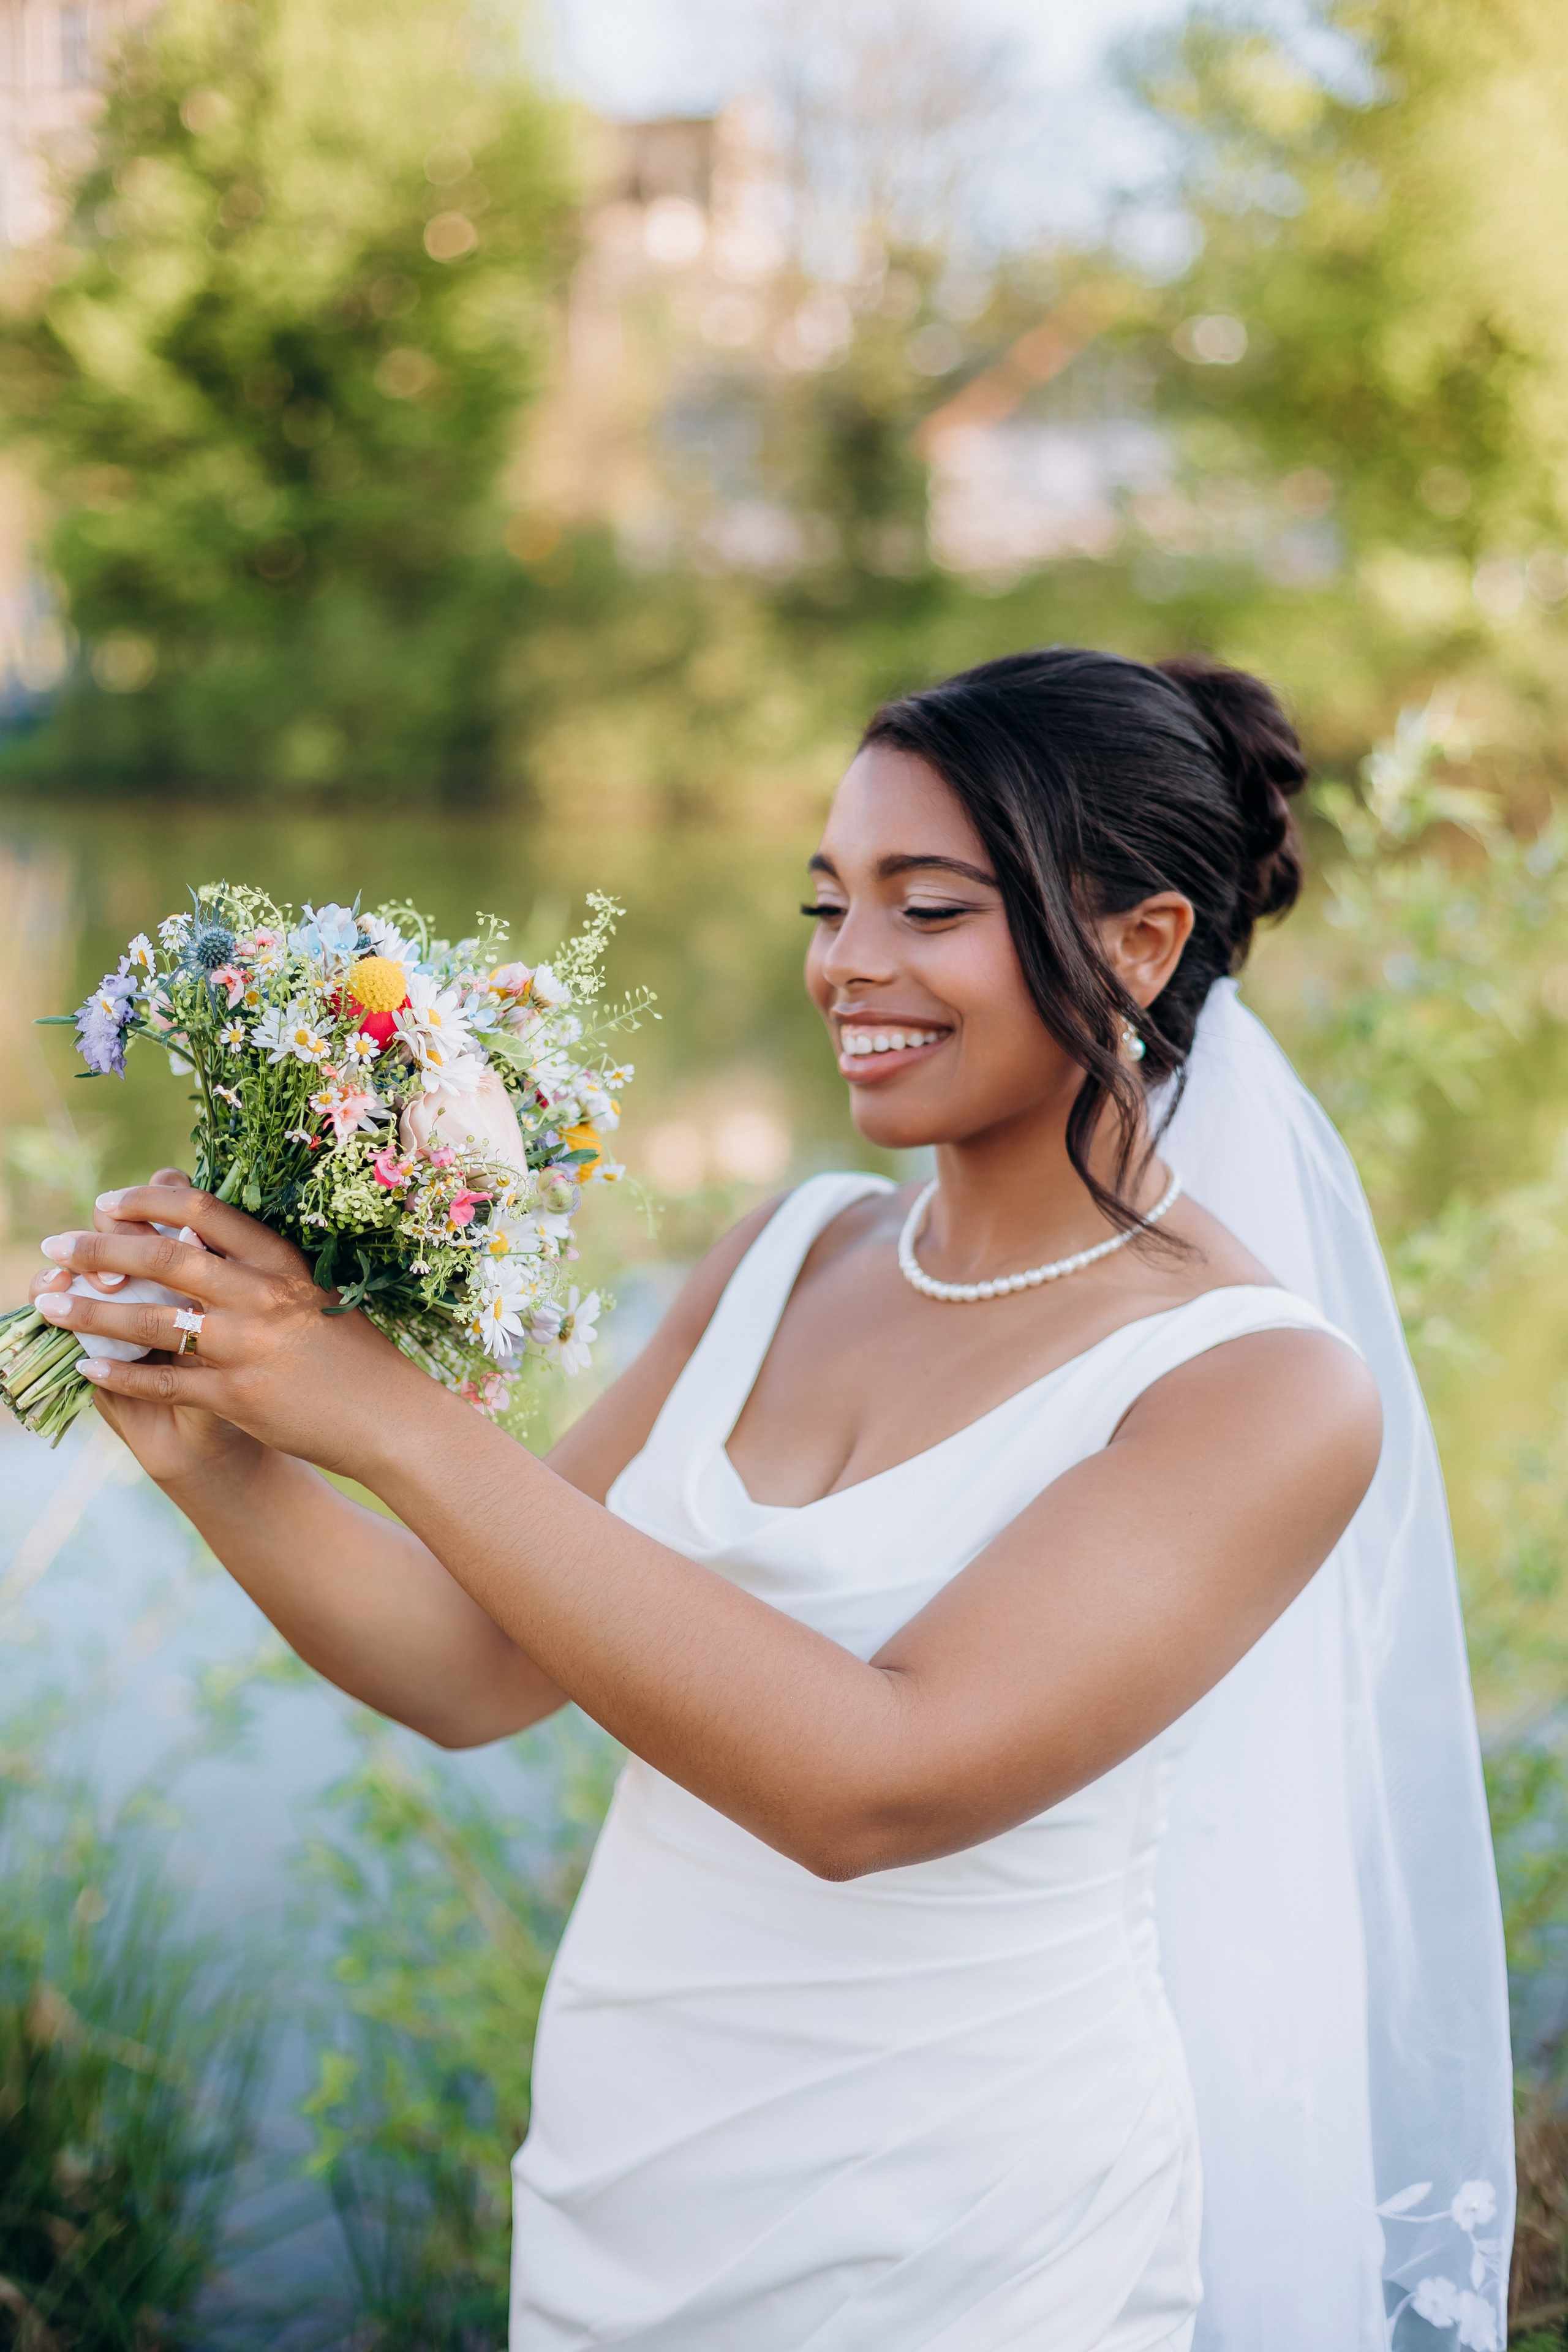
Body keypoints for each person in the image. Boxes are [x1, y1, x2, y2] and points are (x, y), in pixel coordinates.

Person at [29, 647, 1512, 2350]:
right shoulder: (792, 1251)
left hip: (963, 2223)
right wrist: (212, 1429)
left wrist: (400, 1426)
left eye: (929, 907)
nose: (849, 965)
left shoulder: (1256, 1386)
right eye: (828, 905)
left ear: (1141, 942)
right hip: (631, 2158)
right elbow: (469, 1664)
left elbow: (869, 1788)